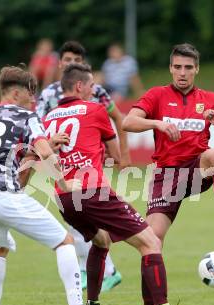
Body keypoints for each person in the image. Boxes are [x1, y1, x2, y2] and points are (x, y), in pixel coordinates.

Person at [44, 63, 202, 305]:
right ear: (80, 86)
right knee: (151, 242)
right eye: (92, 86)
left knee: (102, 241)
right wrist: (115, 158)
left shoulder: (49, 118)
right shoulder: (94, 109)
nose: (94, 90)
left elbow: (48, 155)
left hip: (64, 196)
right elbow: (115, 152)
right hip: (93, 191)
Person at [0, 64, 111, 305]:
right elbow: (44, 151)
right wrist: (65, 181)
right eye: (31, 93)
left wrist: (37, 147)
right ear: (17, 92)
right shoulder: (28, 116)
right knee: (64, 242)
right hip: (2, 195)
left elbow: (5, 152)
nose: (35, 100)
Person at [123, 43, 214, 305]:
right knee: (152, 240)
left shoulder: (208, 99)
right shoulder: (157, 95)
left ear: (196, 69)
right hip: (166, 177)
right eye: (177, 67)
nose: (182, 73)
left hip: (197, 171)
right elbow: (128, 122)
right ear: (171, 68)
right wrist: (157, 124)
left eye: (188, 67)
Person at [37, 40, 129, 292]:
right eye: (67, 60)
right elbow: (36, 129)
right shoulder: (48, 95)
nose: (71, 64)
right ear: (61, 63)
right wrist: (48, 143)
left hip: (89, 162)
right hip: (60, 164)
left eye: (76, 61)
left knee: (80, 219)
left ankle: (102, 270)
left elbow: (117, 117)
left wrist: (122, 154)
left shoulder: (96, 91)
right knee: (78, 223)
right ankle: (96, 269)